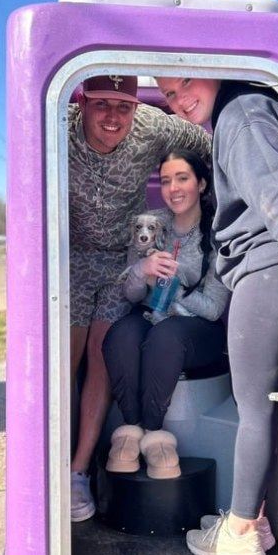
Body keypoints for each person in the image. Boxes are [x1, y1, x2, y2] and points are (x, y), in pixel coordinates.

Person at [154, 76, 278, 555]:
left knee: (253, 410)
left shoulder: (239, 114)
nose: (181, 101)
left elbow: (275, 185)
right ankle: (257, 517)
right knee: (265, 407)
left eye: (184, 84)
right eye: (169, 95)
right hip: (263, 266)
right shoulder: (233, 115)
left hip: (263, 267)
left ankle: (241, 530)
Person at [68, 75, 211, 522]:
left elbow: (208, 142)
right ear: (83, 102)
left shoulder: (153, 125)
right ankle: (50, 467)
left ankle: (78, 472)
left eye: (124, 106)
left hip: (122, 259)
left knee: (102, 355)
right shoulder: (57, 124)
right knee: (64, 364)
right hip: (69, 257)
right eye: (102, 104)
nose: (113, 117)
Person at [101, 149, 229, 479]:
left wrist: (179, 288)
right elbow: (132, 296)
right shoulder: (151, 223)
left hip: (198, 327)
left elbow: (215, 310)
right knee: (121, 334)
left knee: (165, 337)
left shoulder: (218, 233)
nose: (173, 188)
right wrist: (141, 270)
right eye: (167, 180)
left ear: (201, 184)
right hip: (150, 315)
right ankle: (131, 431)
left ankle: (156, 436)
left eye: (182, 178)